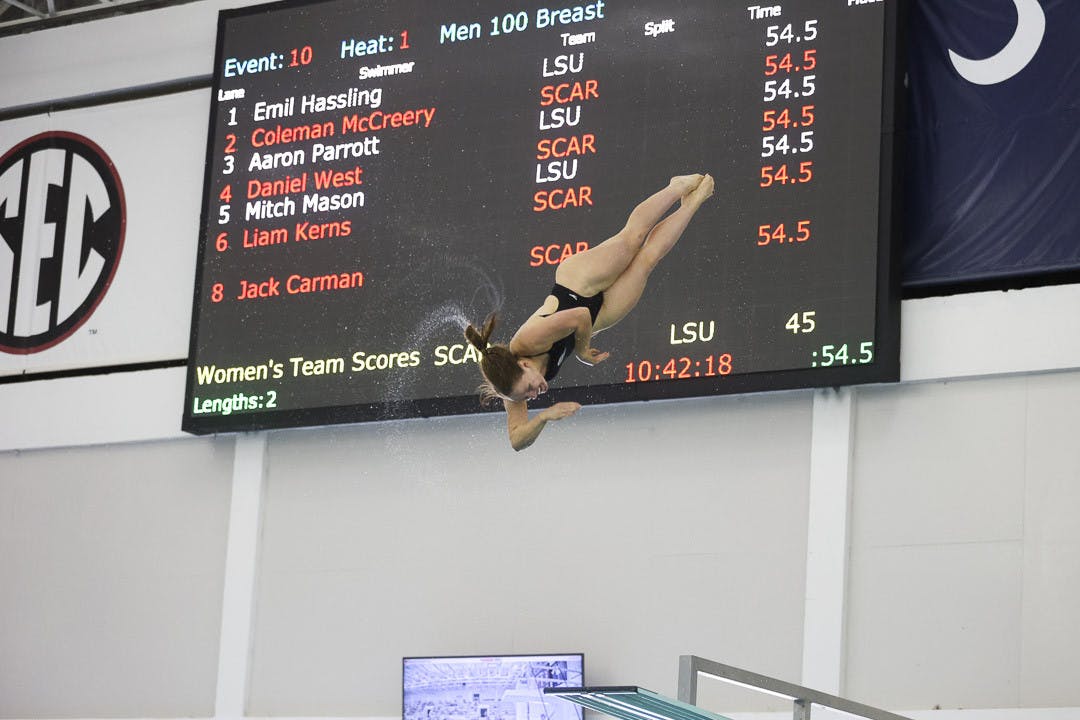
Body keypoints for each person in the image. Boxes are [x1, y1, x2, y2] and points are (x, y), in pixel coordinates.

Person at [464, 173, 714, 450]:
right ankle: (693, 203)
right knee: (647, 261)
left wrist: (582, 351)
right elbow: (517, 441)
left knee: (633, 240)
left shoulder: (527, 341)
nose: (532, 395)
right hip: (597, 317)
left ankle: (674, 187)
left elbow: (579, 315)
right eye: (528, 395)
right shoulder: (513, 389)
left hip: (577, 284)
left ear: (523, 365)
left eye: (528, 389)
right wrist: (544, 417)